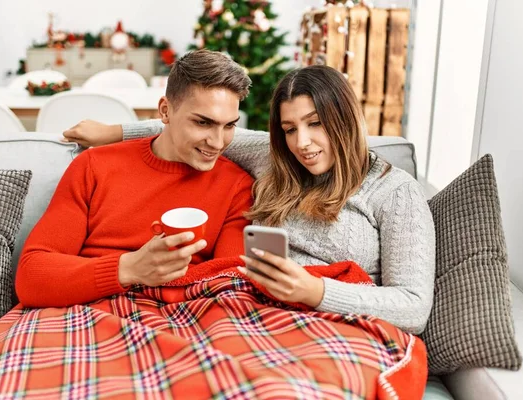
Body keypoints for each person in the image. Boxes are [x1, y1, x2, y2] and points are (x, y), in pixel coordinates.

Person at [63, 66, 436, 334]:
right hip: (261, 316)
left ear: (346, 119)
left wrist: (317, 292)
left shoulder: (394, 191)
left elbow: (415, 308)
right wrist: (114, 132)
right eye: (290, 129)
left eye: (316, 123)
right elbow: (190, 125)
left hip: (343, 324)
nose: (301, 143)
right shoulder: (275, 157)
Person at [16, 49, 254, 308]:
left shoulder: (236, 186)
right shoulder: (94, 166)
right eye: (203, 123)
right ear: (165, 111)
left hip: (182, 315)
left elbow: (229, 285)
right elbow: (31, 278)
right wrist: (128, 269)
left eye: (229, 125)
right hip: (83, 310)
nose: (218, 142)